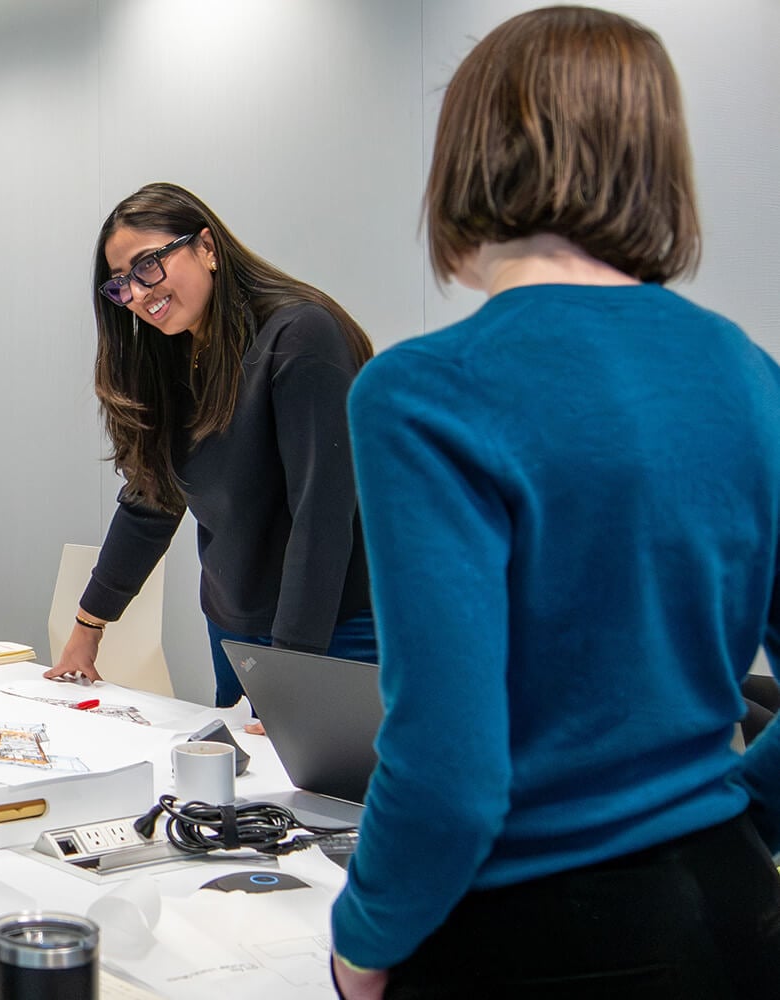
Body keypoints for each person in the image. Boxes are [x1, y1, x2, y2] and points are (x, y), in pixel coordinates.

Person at [329, 8, 780, 999]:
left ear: (466, 159)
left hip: (530, 933)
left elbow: (449, 773)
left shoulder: (422, 393)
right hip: (737, 912)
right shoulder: (751, 375)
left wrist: (359, 944)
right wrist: (736, 806)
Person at [44, 182, 377, 709]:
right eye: (120, 285)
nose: (137, 292)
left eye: (147, 264)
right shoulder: (173, 357)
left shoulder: (300, 335)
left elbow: (322, 514)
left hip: (329, 631)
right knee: (243, 790)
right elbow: (151, 500)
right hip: (234, 630)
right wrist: (88, 626)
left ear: (206, 247)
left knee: (322, 791)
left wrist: (291, 668)